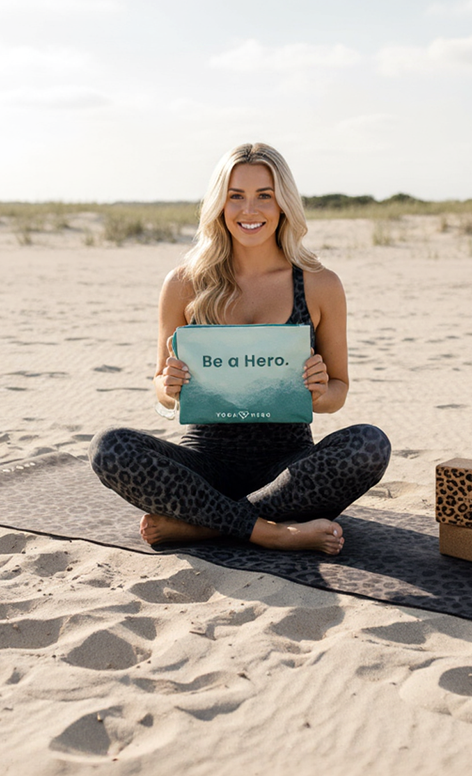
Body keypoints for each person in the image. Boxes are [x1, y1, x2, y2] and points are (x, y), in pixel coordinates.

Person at [89, 143, 391, 555]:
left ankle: (202, 527)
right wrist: (169, 384)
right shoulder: (184, 283)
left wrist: (320, 391)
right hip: (204, 466)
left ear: (283, 203)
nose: (250, 210)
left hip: (288, 471)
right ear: (219, 204)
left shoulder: (320, 284)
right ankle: (270, 531)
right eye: (236, 196)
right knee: (110, 447)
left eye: (264, 195)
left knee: (370, 445)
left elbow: (337, 393)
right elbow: (161, 389)